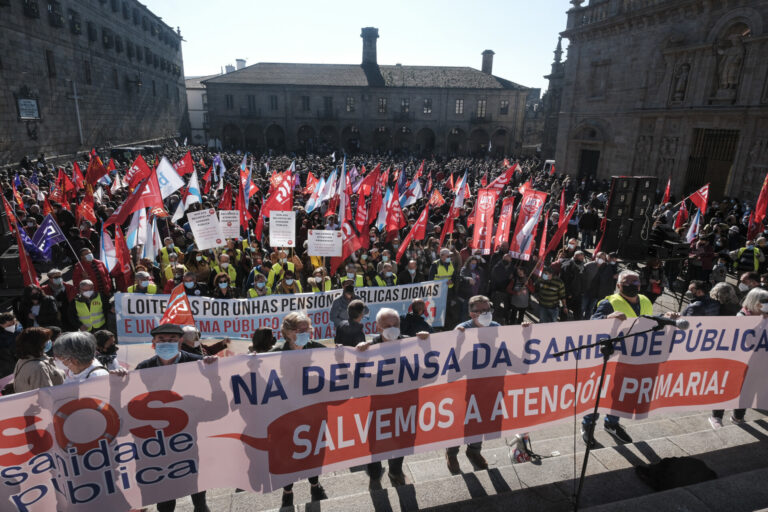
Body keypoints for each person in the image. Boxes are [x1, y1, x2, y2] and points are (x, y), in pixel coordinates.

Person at [135, 323, 217, 512]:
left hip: (191, 432)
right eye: (161, 340)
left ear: (180, 341)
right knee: (164, 487)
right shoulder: (143, 368)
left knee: (195, 476)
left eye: (171, 340)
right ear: (153, 342)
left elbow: (212, 396)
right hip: (159, 438)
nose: (166, 343)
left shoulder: (198, 363)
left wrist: (214, 372)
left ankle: (200, 504)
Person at [583, 270, 667, 447]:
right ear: (619, 285)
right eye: (628, 282)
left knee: (620, 394)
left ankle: (612, 424)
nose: (633, 285)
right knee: (601, 394)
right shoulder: (608, 303)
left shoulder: (644, 300)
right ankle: (588, 426)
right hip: (611, 359)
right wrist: (607, 318)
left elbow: (649, 320)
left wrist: (666, 318)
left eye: (636, 281)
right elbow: (592, 324)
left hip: (634, 359)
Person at [354, 307, 427, 486]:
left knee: (403, 438)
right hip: (377, 405)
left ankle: (395, 471)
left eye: (395, 324)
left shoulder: (411, 343)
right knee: (375, 441)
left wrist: (427, 343)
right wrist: (357, 354)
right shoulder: (368, 348)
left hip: (405, 403)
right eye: (387, 325)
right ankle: (374, 473)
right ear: (378, 327)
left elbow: (431, 365)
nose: (392, 327)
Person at [269, 312, 328, 507]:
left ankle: (315, 485)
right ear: (286, 332)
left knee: (313, 451)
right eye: (299, 329)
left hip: (314, 412)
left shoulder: (317, 349)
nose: (304, 332)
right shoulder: (275, 353)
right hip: (286, 414)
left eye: (307, 329)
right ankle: (288, 491)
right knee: (288, 454)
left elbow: (340, 364)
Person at [445, 295, 498, 473]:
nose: (485, 313)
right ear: (471, 313)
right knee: (460, 419)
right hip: (464, 385)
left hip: (486, 384)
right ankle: (451, 453)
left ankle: (474, 451)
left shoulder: (496, 328)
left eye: (487, 310)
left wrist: (525, 333)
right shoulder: (461, 330)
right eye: (480, 311)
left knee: (480, 418)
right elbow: (451, 359)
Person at [709, 287, 768, 429]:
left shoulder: (765, 317)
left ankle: (738, 416)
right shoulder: (741, 317)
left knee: (748, 390)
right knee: (728, 388)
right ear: (755, 302)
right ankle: (716, 416)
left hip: (755, 363)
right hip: (736, 362)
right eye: (764, 302)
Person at [12, 327, 64, 393]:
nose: (49, 341)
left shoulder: (23, 359)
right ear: (37, 344)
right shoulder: (39, 367)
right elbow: (46, 395)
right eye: (46, 340)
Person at [0, 312, 21, 379]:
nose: (13, 326)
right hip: (9, 366)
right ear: (1, 325)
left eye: (14, 323)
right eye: (9, 325)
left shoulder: (19, 328)